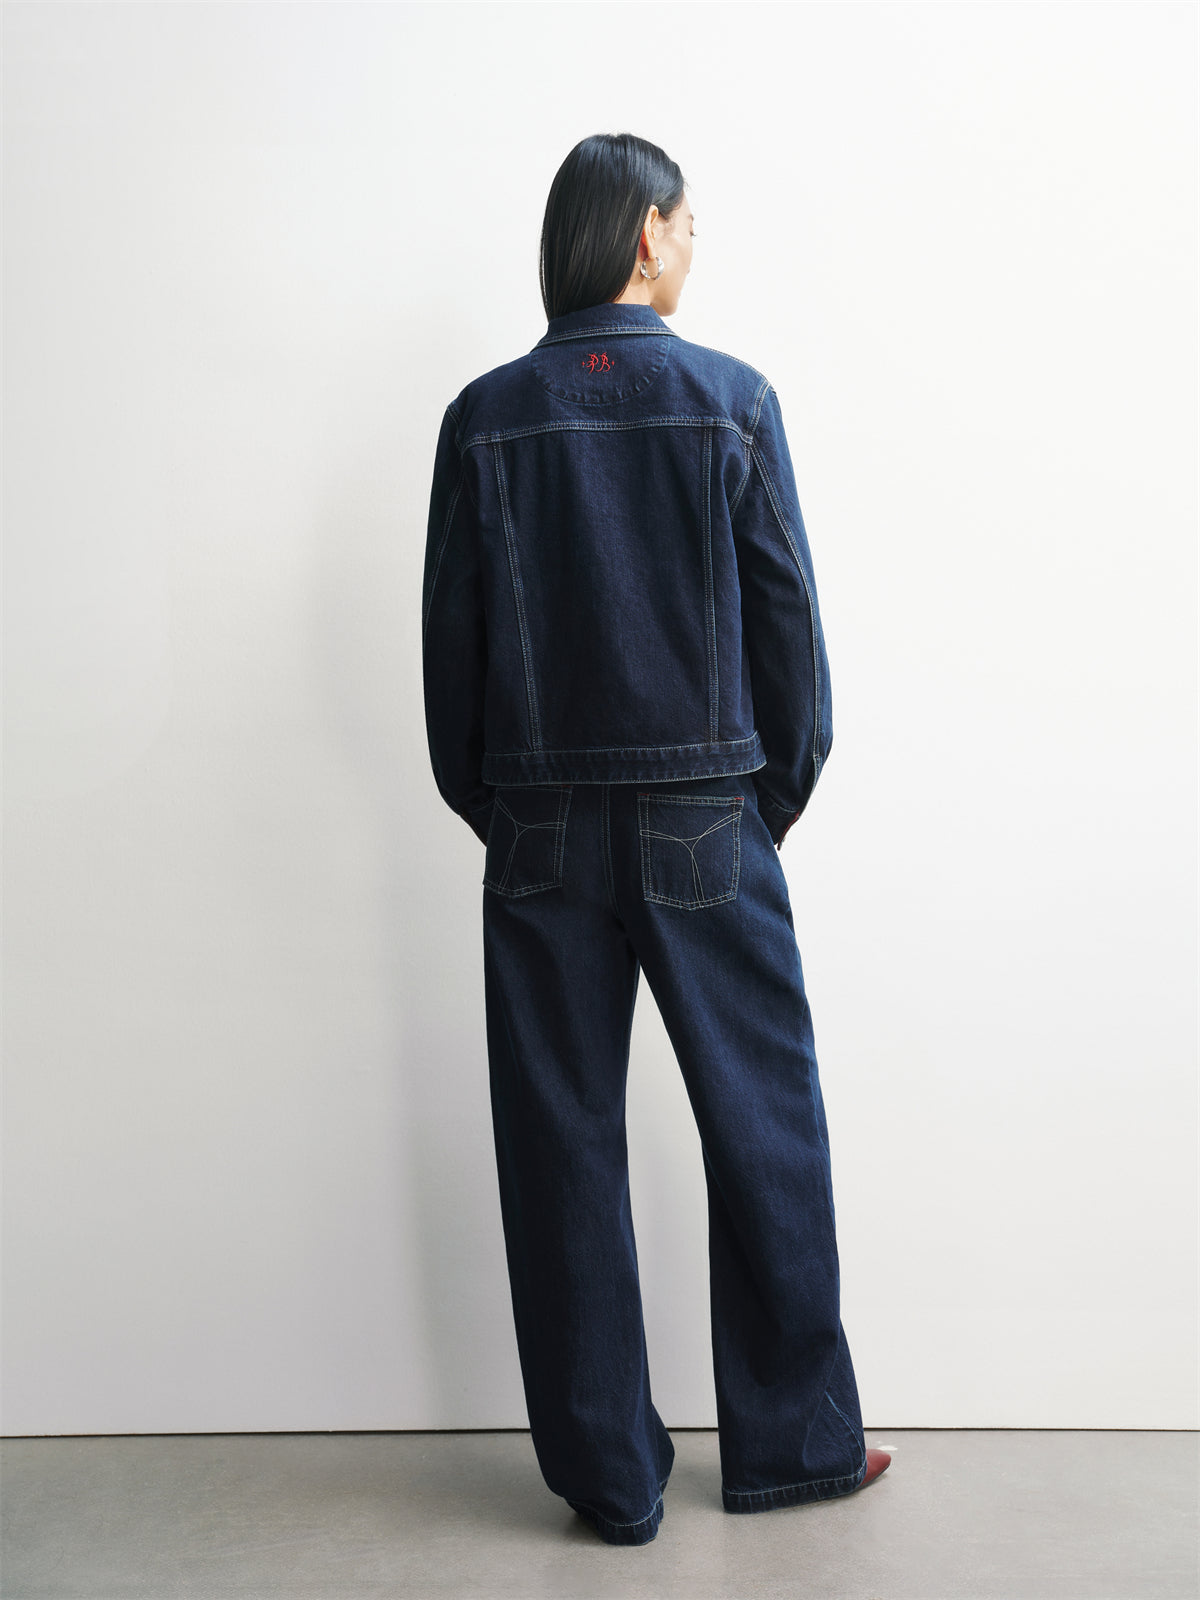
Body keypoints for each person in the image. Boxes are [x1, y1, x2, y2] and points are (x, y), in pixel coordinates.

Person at [421, 131, 891, 1547]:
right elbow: (790, 633)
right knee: (765, 1125)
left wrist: (505, 806)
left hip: (540, 825)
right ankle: (794, 1446)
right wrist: (761, 801)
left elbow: (451, 661)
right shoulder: (731, 402)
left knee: (559, 1144)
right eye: (686, 226)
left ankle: (610, 1480)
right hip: (707, 816)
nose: (692, 247)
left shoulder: (484, 418)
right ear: (644, 235)